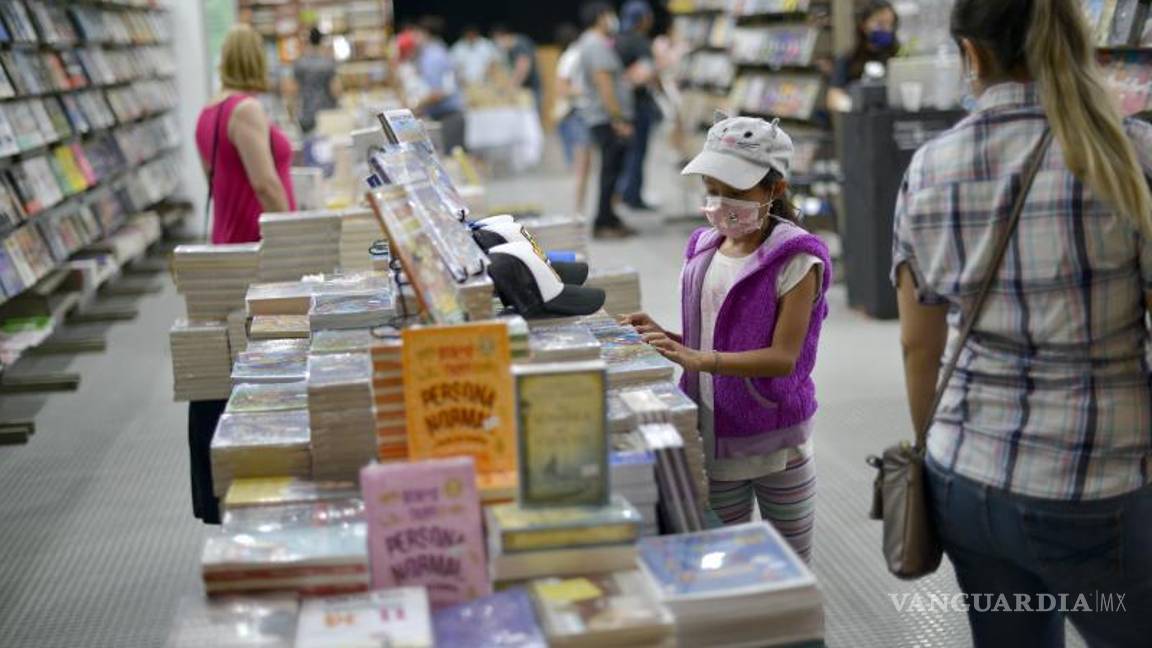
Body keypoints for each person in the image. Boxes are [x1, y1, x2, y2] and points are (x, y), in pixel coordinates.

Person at [893, 1, 1152, 644]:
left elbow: (917, 343)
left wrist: (931, 450)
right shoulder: (1129, 155)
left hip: (966, 479)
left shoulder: (928, 167)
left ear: (973, 56)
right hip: (1101, 483)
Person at [623, 115, 831, 561]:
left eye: (736, 194)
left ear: (775, 189)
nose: (720, 204)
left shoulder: (796, 260)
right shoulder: (702, 247)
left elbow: (783, 357)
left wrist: (703, 360)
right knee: (723, 561)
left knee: (791, 564)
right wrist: (667, 337)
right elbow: (709, 336)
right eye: (712, 190)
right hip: (713, 435)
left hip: (777, 440)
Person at [191, 24, 297, 524]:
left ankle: (227, 485)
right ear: (257, 60)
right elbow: (265, 185)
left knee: (233, 368)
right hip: (260, 250)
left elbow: (219, 182)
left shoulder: (208, 114)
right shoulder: (247, 109)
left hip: (225, 246)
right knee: (269, 367)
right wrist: (300, 237)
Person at [577, 2, 636, 240]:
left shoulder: (594, 43)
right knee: (609, 172)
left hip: (606, 118)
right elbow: (604, 85)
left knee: (612, 171)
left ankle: (609, 217)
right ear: (600, 17)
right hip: (606, 119)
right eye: (609, 15)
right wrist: (618, 118)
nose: (612, 19)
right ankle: (602, 223)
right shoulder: (594, 44)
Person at [615, 0, 661, 210]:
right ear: (643, 19)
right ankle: (633, 196)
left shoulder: (617, 40)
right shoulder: (640, 41)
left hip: (619, 106)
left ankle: (624, 193)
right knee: (638, 152)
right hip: (638, 105)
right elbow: (644, 73)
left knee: (624, 154)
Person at [406, 18, 467, 154]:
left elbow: (439, 92)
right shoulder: (440, 51)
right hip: (452, 116)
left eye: (415, 34)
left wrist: (414, 108)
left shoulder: (432, 57)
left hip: (447, 118)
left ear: (425, 34)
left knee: (450, 162)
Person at [827, 0, 900, 113]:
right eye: (880, 23)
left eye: (890, 24)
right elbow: (833, 97)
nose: (886, 29)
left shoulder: (898, 57)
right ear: (864, 25)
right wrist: (851, 105)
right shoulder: (848, 58)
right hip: (859, 123)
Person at [554, 23, 592, 214]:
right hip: (577, 115)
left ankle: (578, 210)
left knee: (582, 167)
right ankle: (577, 211)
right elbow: (561, 88)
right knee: (580, 168)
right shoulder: (573, 56)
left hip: (578, 115)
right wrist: (587, 91)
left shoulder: (570, 55)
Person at [286, 26, 342, 136]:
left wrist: (291, 114)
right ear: (321, 41)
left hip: (306, 114)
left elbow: (292, 91)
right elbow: (336, 90)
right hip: (327, 114)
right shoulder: (328, 63)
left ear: (309, 41)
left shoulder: (299, 63)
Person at [492, 24, 542, 110]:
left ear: (504, 36)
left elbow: (522, 69)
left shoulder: (521, 44)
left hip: (531, 90)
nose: (498, 44)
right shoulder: (509, 51)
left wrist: (511, 88)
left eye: (497, 40)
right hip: (522, 89)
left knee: (531, 118)